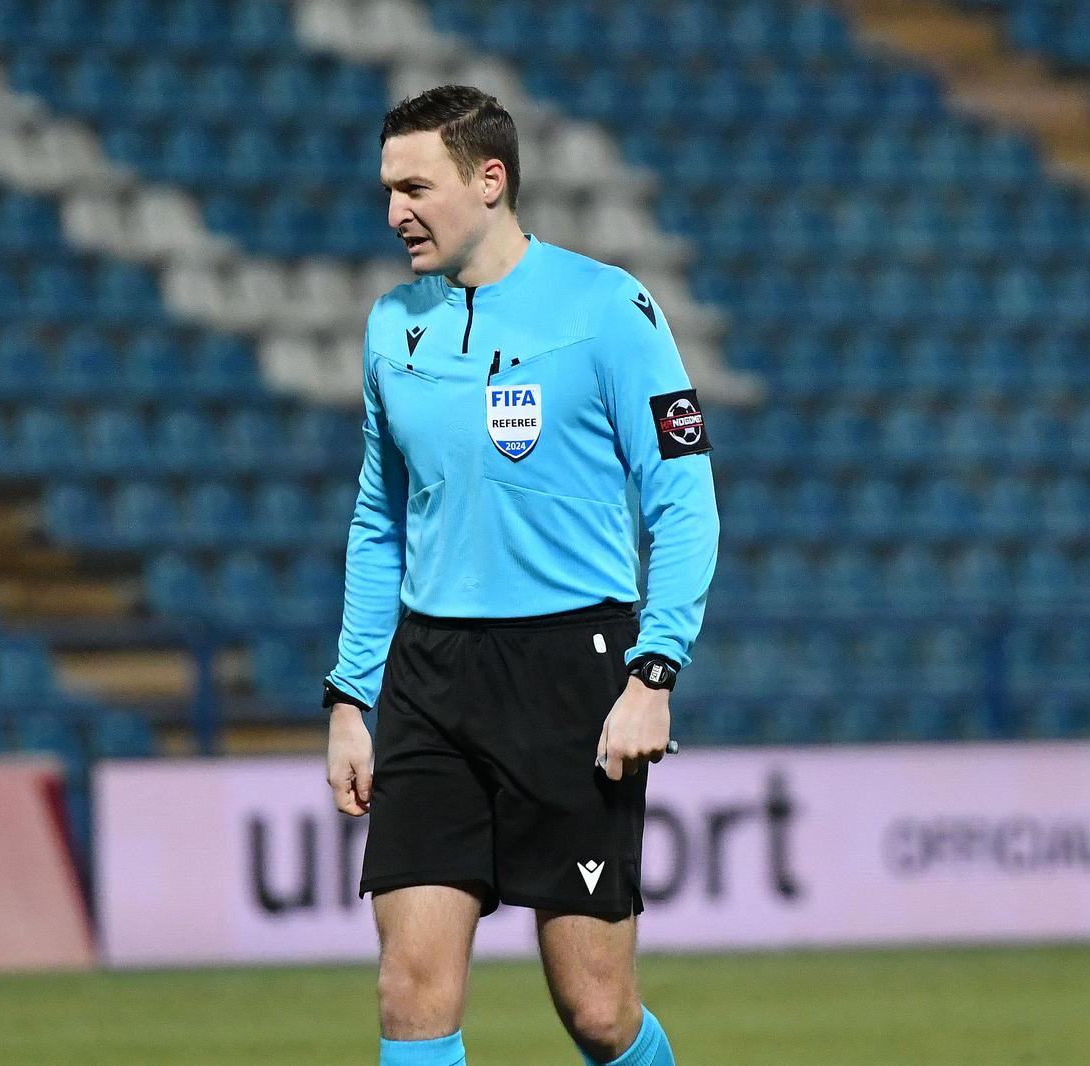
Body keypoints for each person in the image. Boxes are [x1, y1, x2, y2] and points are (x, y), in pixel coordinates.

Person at [322, 85, 719, 1066]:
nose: (392, 212)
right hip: (429, 672)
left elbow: (682, 501)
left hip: (571, 672)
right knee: (410, 989)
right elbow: (379, 520)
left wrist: (653, 671)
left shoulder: (607, 310)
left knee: (594, 1008)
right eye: (385, 188)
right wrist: (349, 694)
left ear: (489, 180)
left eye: (415, 186)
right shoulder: (388, 327)